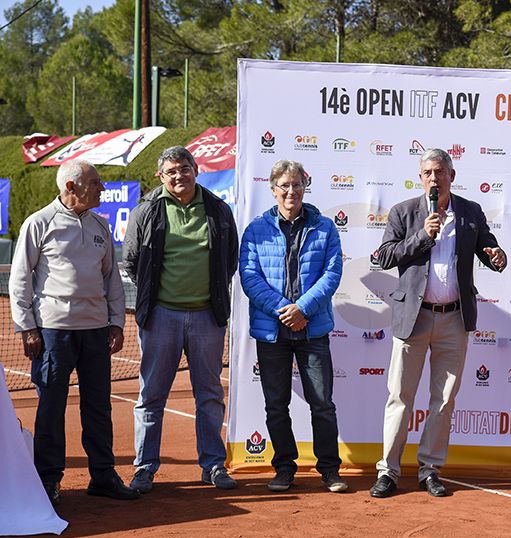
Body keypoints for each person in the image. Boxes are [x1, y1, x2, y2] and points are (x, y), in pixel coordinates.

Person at [370, 148, 507, 498]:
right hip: (413, 319)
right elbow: (384, 256)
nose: (434, 178)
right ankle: (388, 471)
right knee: (400, 396)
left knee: (443, 400)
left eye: (440, 172)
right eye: (428, 172)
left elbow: (487, 249)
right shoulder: (404, 212)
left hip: (453, 319)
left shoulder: (471, 211)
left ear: (452, 175)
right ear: (421, 177)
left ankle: (429, 469)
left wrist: (496, 256)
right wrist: (422, 236)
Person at [10, 159, 138, 504]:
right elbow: (20, 279)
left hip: (96, 330)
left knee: (99, 407)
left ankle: (103, 475)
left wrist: (116, 321)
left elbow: (112, 278)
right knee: (51, 407)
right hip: (53, 331)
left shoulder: (100, 225)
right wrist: (27, 327)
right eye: (95, 182)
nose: (102, 188)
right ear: (71, 188)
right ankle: (48, 480)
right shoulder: (39, 223)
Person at [123, 146, 239, 493]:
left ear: (196, 169)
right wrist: (154, 300)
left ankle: (213, 465)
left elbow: (229, 258)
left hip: (207, 316)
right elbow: (131, 259)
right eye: (171, 171)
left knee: (209, 394)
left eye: (184, 169)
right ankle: (145, 467)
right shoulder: (147, 209)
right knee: (151, 395)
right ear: (161, 176)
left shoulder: (217, 209)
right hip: (161, 317)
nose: (179, 176)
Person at [239, 160, 347, 493]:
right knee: (276, 405)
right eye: (284, 185)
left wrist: (302, 309)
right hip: (273, 332)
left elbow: (332, 274)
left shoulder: (325, 227)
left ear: (305, 187)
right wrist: (282, 309)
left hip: (312, 330)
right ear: (273, 189)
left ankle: (329, 469)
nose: (291, 191)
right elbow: (249, 276)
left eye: (297, 184)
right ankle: (284, 468)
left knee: (322, 404)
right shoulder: (256, 229)